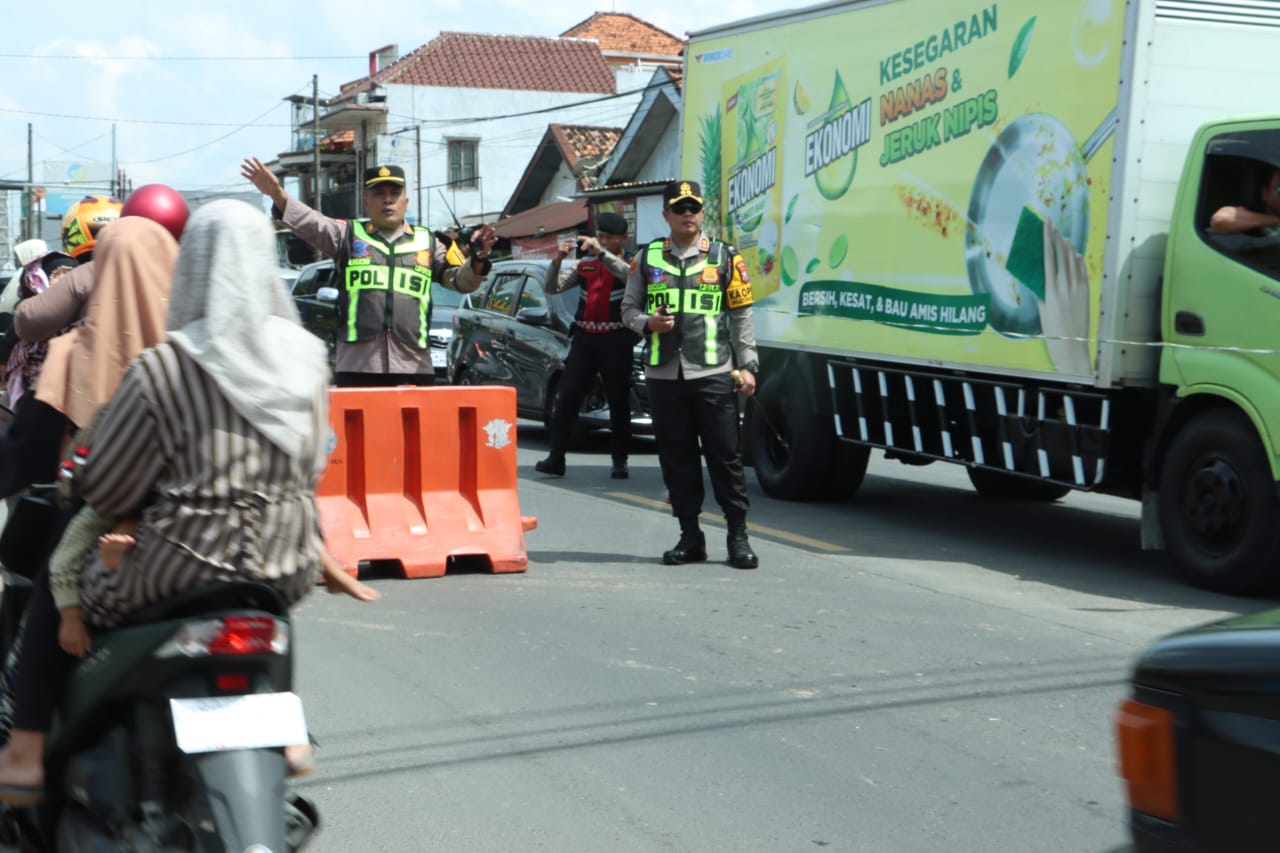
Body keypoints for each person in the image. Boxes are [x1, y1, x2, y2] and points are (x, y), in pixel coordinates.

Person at [0, 200, 367, 802]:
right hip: (284, 565)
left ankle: (26, 751)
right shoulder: (307, 357)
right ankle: (287, 731)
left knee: (54, 582)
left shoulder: (165, 365)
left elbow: (109, 486)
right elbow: (312, 463)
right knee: (272, 619)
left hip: (177, 565)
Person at [241, 157, 498, 386]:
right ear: (366, 202)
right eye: (379, 193)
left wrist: (478, 258)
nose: (387, 200)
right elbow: (311, 223)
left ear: (405, 201)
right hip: (357, 365)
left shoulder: (429, 242)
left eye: (394, 193)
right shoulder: (347, 235)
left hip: (413, 366)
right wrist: (277, 194)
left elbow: (461, 282)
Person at [620, 180, 761, 570]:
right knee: (677, 458)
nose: (687, 214)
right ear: (665, 214)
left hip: (714, 372)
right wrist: (648, 322)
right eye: (679, 208)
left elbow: (741, 315)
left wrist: (748, 365)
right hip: (664, 374)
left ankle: (738, 536)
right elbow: (627, 310)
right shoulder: (646, 258)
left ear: (702, 213)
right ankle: (690, 536)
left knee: (725, 457)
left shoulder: (725, 257)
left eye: (693, 208)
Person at [535, 212, 637, 479]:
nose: (602, 241)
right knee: (567, 396)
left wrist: (603, 254)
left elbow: (631, 278)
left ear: (623, 239)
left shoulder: (631, 263)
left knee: (618, 401)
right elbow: (553, 287)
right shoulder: (585, 265)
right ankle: (556, 457)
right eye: (600, 236)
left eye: (609, 238)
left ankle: (619, 460)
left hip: (616, 339)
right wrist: (557, 260)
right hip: (585, 340)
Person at [1210, 165, 1280, 234]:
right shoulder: (1248, 219)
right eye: (1279, 189)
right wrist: (1275, 221)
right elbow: (1220, 219)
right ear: (1265, 193)